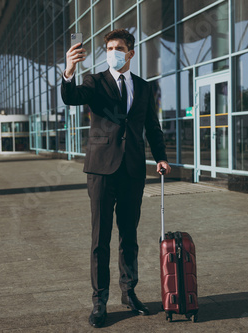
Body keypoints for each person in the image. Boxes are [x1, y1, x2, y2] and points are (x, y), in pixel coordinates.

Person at [61, 29, 171, 328]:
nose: (113, 52)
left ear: (131, 52)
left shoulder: (144, 88)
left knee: (129, 236)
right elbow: (71, 98)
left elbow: (152, 125)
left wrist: (160, 156)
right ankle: (99, 301)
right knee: (100, 239)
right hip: (101, 170)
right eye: (109, 48)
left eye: (118, 47)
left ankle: (129, 292)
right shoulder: (94, 82)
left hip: (133, 170)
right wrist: (69, 71)